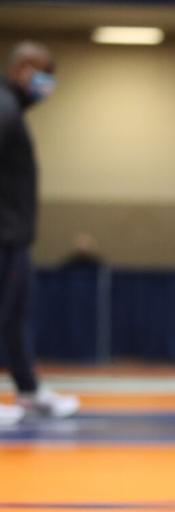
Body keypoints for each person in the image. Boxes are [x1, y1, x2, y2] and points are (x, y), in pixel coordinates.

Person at [0, 41, 79, 427]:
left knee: (16, 318)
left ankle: (29, 391)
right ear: (25, 69)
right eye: (45, 73)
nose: (48, 84)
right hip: (4, 236)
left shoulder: (13, 109)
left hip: (15, 237)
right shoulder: (4, 107)